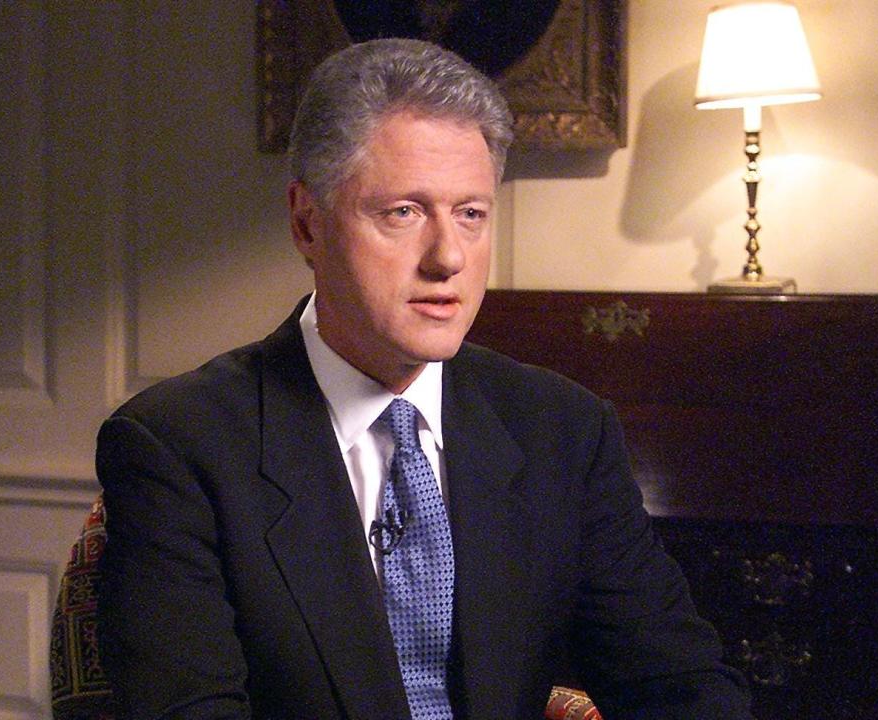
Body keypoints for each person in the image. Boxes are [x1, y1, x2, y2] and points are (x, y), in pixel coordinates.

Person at [96, 38, 754, 720]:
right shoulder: (177, 445)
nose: (448, 258)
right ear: (306, 223)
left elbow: (678, 684)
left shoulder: (562, 428)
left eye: (471, 214)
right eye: (402, 212)